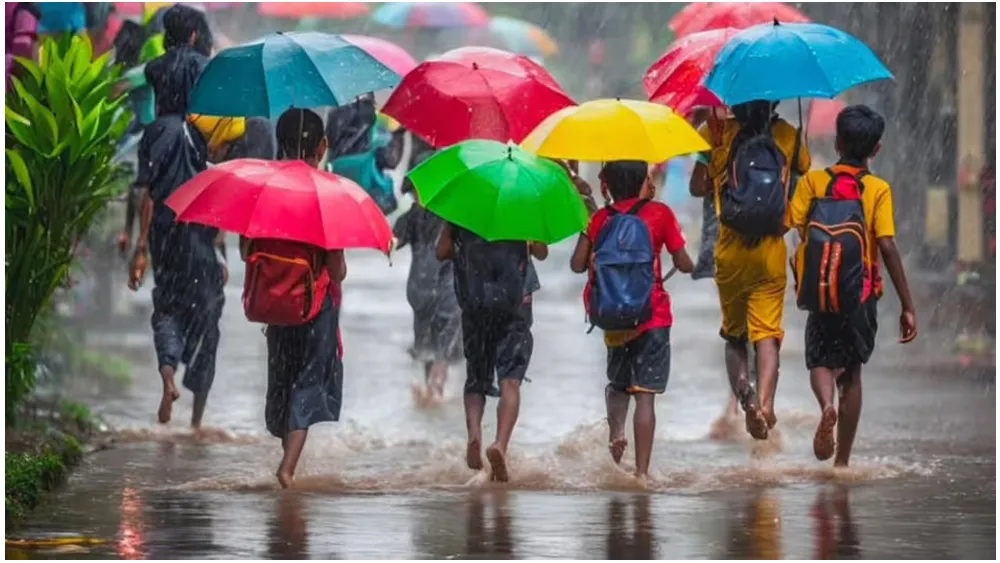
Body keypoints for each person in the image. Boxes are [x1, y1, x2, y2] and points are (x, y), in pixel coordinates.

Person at [787, 105, 917, 467]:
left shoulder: (813, 181)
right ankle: (842, 461)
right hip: (860, 294)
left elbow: (793, 225)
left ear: (838, 141)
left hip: (820, 291)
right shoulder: (877, 189)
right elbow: (887, 245)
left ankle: (825, 405)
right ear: (876, 149)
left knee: (820, 360)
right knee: (853, 372)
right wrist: (908, 304)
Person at [689, 100, 810, 441]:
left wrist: (714, 162)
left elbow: (697, 187)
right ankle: (768, 403)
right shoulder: (787, 134)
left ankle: (746, 396)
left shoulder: (715, 132)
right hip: (771, 250)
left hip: (729, 251)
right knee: (767, 335)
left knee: (734, 337)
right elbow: (799, 180)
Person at [127, 4, 224, 428]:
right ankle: (197, 424)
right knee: (208, 314)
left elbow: (145, 193)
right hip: (199, 229)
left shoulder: (153, 132)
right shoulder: (203, 134)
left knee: (166, 306)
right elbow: (217, 189)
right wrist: (220, 248)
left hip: (163, 230)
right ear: (193, 36)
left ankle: (167, 375)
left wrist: (139, 250)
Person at [239, 108, 345, 488]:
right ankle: (287, 469)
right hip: (314, 308)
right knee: (309, 383)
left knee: (283, 382)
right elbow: (338, 270)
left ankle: (286, 458)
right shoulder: (327, 193)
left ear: (278, 142)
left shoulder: (262, 189)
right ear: (322, 146)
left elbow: (244, 250)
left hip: (275, 305)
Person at [570, 160, 693, 483]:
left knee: (617, 384)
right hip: (653, 315)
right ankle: (640, 472)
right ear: (643, 181)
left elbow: (576, 264)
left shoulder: (599, 219)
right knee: (645, 394)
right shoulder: (660, 213)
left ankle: (616, 434)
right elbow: (683, 262)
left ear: (606, 186)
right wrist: (687, 260)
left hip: (614, 317)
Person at [436, 218, 548, 482]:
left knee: (476, 379)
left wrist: (458, 235)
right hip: (514, 308)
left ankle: (474, 435)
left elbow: (441, 252)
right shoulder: (522, 209)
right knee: (510, 381)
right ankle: (499, 444)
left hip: (476, 307)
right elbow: (542, 252)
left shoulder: (463, 211)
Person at [394, 170, 463, 403]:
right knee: (444, 345)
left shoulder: (413, 216)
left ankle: (428, 391)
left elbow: (393, 240)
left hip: (420, 288)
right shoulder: (453, 213)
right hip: (448, 289)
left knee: (426, 344)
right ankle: (437, 388)